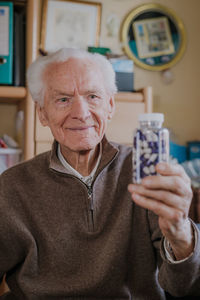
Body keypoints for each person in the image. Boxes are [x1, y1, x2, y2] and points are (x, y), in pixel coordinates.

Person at [0, 48, 199, 300]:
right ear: (42, 113)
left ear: (110, 105)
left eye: (92, 96)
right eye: (63, 99)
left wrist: (181, 233)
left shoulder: (148, 172)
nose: (81, 113)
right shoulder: (12, 186)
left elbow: (185, 287)